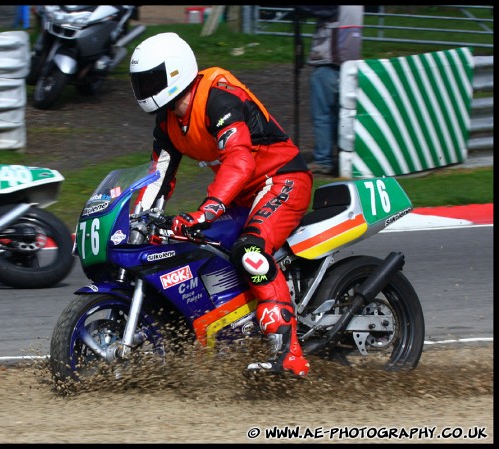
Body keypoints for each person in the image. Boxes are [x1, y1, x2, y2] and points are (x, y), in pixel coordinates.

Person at [129, 32, 313, 376]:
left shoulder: (217, 97)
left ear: (176, 72)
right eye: (139, 82)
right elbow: (159, 176)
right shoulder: (168, 122)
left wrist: (207, 210)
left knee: (250, 251)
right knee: (190, 243)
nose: (143, 88)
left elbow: (240, 161)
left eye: (150, 79)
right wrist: (137, 218)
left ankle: (290, 352)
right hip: (242, 194)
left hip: (282, 180)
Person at [297, 5, 363, 175]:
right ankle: (343, 159)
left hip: (328, 63)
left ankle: (323, 160)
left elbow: (316, 10)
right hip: (349, 66)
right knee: (343, 116)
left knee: (323, 116)